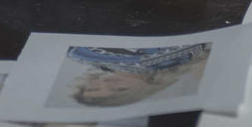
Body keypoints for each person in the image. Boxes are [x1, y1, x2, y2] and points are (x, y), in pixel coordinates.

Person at [62, 44, 209, 107]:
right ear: (141, 90)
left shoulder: (81, 58)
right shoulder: (176, 61)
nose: (107, 83)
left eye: (93, 88)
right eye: (120, 89)